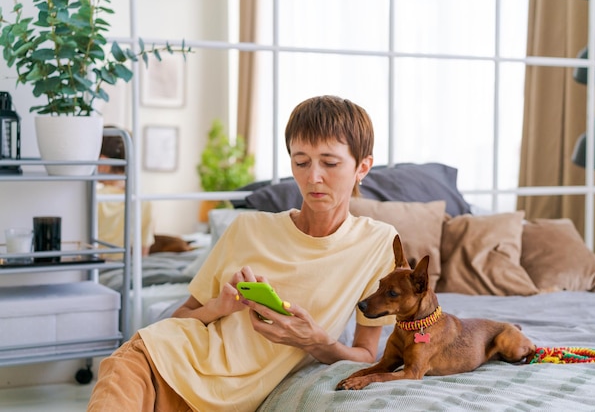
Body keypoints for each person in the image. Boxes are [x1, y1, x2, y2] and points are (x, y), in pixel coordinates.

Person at [87, 95, 400, 411]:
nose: (312, 177)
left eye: (330, 163)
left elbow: (365, 354)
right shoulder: (247, 227)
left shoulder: (378, 243)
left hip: (229, 399)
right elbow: (181, 316)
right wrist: (218, 307)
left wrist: (315, 341)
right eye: (301, 161)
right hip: (158, 361)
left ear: (363, 167)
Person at [97, 132, 155, 258]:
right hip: (126, 269)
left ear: (103, 163)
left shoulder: (94, 197)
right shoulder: (143, 199)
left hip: (96, 269)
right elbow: (143, 251)